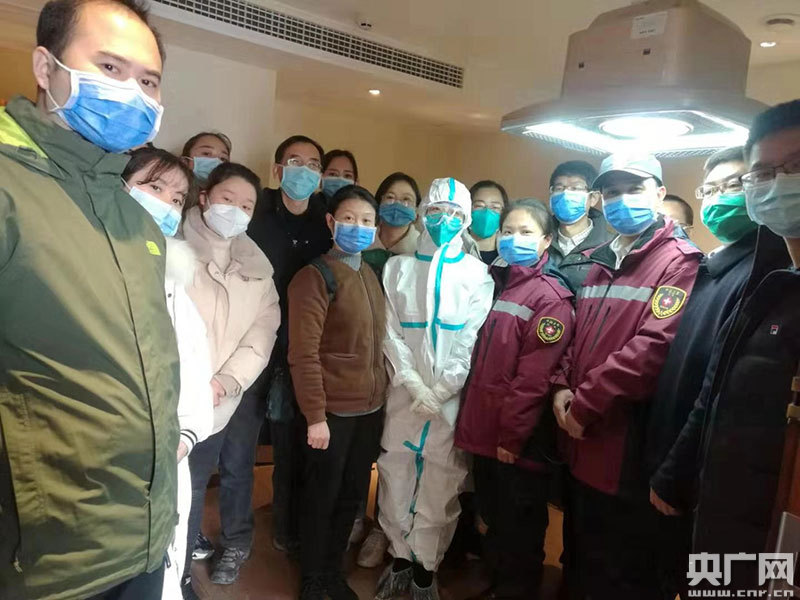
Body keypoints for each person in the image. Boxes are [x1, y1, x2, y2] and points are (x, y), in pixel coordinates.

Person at [0, 1, 179, 598]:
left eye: (148, 81)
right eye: (109, 67)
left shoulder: (137, 220)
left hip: (144, 538)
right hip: (49, 560)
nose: (131, 91)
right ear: (45, 67)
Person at [652, 99, 800, 590]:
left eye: (796, 166)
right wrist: (675, 473)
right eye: (765, 172)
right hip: (723, 516)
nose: (779, 183)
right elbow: (713, 393)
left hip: (779, 535)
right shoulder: (768, 287)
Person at [552, 153, 702, 599]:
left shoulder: (679, 262)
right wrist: (561, 385)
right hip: (579, 441)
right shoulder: (601, 260)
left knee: (620, 570)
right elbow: (576, 333)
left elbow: (651, 350)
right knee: (579, 557)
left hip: (624, 447)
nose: (622, 201)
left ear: (659, 194)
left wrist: (584, 405)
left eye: (634, 190)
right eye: (612, 192)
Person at [376, 177, 494, 600]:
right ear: (424, 213)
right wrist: (411, 382)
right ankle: (400, 558)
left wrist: (442, 389)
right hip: (403, 393)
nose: (446, 220)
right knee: (395, 473)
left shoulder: (477, 275)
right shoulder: (398, 268)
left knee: (442, 482)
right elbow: (389, 331)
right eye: (437, 211)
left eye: (456, 214)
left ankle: (426, 569)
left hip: (450, 400)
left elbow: (470, 340)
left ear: (467, 219)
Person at [455, 199, 574, 599]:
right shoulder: (494, 281)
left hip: (518, 438)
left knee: (519, 523)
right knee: (493, 515)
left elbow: (533, 380)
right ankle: (496, 581)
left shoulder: (550, 297)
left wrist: (512, 436)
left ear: (547, 241)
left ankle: (516, 590)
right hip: (484, 428)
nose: (514, 239)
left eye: (526, 232)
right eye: (507, 231)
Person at [181, 162, 281, 596]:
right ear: (205, 197)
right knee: (165, 494)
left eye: (246, 205)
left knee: (196, 485)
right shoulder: (169, 247)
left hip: (221, 400)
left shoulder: (258, 267)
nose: (235, 210)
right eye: (227, 199)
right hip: (167, 397)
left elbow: (263, 331)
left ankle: (182, 575)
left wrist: (225, 381)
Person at [121, 147, 216, 600]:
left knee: (160, 560)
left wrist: (185, 436)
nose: (165, 204)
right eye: (153, 187)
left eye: (177, 199)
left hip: (167, 452)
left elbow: (194, 365)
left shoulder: (173, 280)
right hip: (107, 459)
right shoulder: (89, 266)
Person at [288, 185, 388, 600]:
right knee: (321, 497)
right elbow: (303, 354)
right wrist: (315, 417)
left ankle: (332, 572)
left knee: (350, 497)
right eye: (349, 219)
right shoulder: (314, 277)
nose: (358, 227)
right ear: (331, 222)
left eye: (366, 221)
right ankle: (312, 576)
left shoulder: (369, 274)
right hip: (331, 414)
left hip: (369, 410)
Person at [246, 134, 332, 556]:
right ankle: (281, 526)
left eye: (313, 165)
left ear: (320, 177)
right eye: (295, 162)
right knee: (273, 443)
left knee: (306, 443)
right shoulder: (256, 215)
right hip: (261, 343)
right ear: (278, 169)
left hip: (310, 350)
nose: (304, 170)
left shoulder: (326, 223)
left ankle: (305, 526)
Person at [546, 160, 614, 293]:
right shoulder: (538, 240)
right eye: (559, 188)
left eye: (575, 188)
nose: (566, 194)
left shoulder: (610, 247)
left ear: (593, 198)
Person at [362, 172, 423, 278]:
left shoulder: (421, 249)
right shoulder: (361, 240)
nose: (397, 204)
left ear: (417, 212)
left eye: (406, 199)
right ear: (378, 204)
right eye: (390, 197)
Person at [468, 180, 509, 264]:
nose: (487, 212)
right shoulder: (453, 250)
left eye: (495, 207)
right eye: (479, 205)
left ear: (504, 213)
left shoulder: (511, 255)